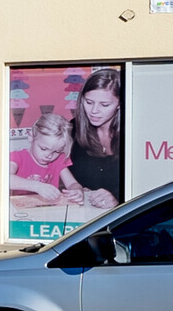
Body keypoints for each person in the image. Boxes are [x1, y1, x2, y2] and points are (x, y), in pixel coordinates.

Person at [61, 67, 123, 211]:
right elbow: (58, 169)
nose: (94, 110)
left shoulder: (131, 134)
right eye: (89, 102)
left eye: (104, 105)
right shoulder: (73, 129)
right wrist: (77, 189)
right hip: (83, 215)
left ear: (120, 104)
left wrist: (118, 199)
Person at [8, 112, 72, 207]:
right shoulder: (17, 157)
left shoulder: (59, 159)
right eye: (43, 149)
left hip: (45, 210)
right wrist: (37, 187)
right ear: (31, 137)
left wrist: (77, 191)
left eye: (57, 151)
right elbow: (6, 179)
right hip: (18, 210)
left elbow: (72, 184)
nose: (49, 156)